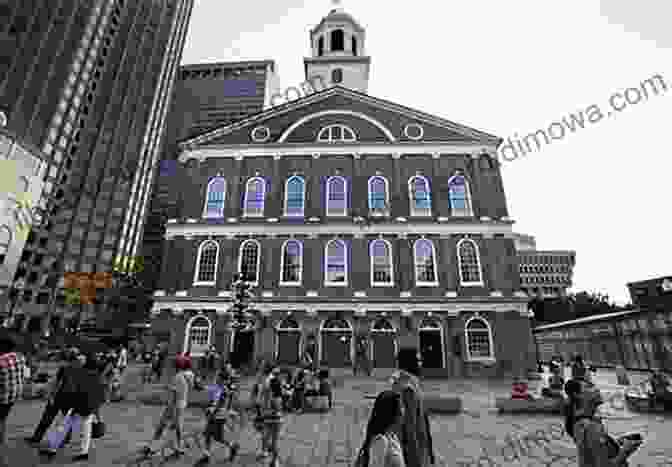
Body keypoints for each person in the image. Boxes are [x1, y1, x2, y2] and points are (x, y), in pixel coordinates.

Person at [40, 353, 107, 461]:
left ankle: (52, 449)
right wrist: (96, 410)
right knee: (86, 429)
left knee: (62, 427)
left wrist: (67, 405)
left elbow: (73, 391)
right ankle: (83, 452)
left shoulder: (80, 374)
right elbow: (101, 396)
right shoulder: (98, 377)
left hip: (76, 406)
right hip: (89, 407)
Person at [564, 379, 642, 466]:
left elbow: (592, 451)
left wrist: (615, 442)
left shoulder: (581, 422)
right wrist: (627, 450)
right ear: (577, 395)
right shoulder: (590, 426)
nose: (597, 389)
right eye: (589, 387)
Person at [142, 353, 195, 457]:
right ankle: (178, 446)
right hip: (182, 404)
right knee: (178, 428)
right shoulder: (189, 375)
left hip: (174, 406)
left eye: (174, 365)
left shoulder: (177, 377)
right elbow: (187, 388)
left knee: (162, 426)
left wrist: (169, 407)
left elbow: (173, 395)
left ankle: (152, 447)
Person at [25, 352, 83, 445]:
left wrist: (51, 396)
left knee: (47, 418)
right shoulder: (80, 370)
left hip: (59, 397)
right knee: (67, 419)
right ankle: (66, 438)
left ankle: (37, 438)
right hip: (72, 398)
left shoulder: (64, 369)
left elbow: (57, 384)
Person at [390, 348, 434, 467]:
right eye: (418, 360)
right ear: (410, 362)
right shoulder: (408, 389)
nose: (421, 363)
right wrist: (415, 460)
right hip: (415, 448)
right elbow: (410, 427)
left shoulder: (407, 383)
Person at [196, 369, 240, 465]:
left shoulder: (224, 390)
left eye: (218, 377)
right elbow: (203, 388)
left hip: (219, 416)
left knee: (216, 437)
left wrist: (213, 412)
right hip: (216, 414)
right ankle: (206, 454)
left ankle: (232, 446)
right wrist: (197, 381)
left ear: (222, 379)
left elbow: (221, 403)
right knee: (208, 434)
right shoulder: (216, 387)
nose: (216, 378)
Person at [355, 390, 405, 467]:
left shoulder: (392, 436)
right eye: (401, 407)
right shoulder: (381, 441)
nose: (403, 411)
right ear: (393, 413)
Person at [0, 333, 27, 464]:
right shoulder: (20, 357)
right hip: (15, 394)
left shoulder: (1, 361)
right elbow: (25, 374)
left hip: (3, 396)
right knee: (3, 417)